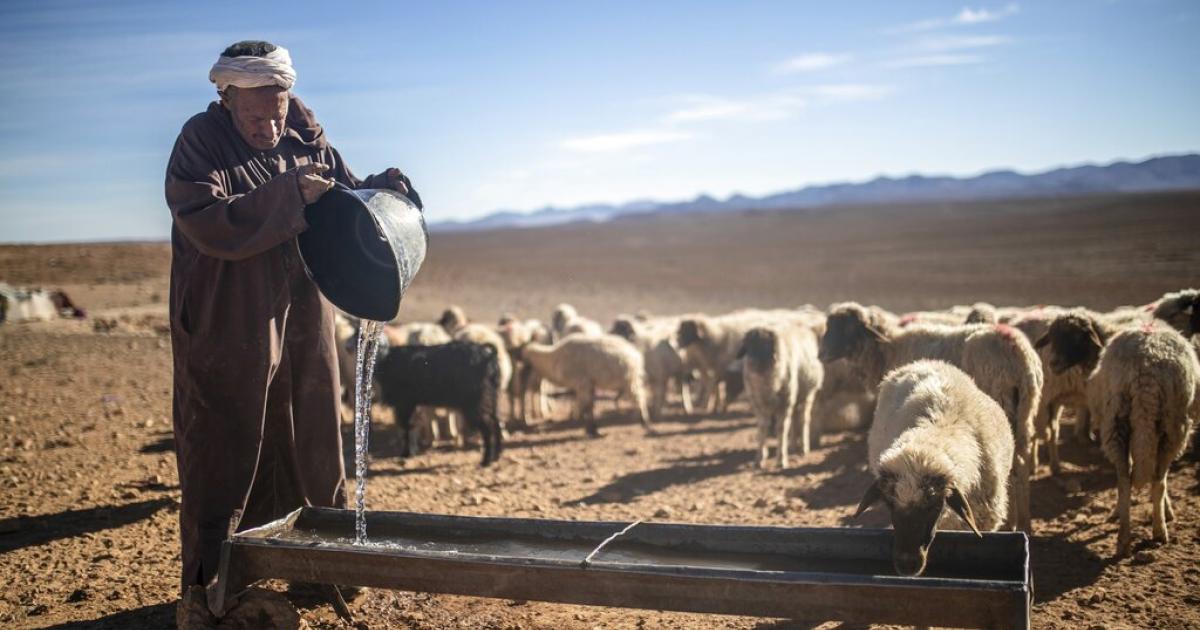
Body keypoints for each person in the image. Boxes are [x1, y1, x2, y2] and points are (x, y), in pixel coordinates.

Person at [165, 39, 420, 625]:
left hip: (303, 305)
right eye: (256, 115)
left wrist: (385, 186)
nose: (269, 125)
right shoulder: (199, 142)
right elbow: (205, 219)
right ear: (225, 98)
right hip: (229, 310)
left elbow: (345, 188)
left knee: (311, 430)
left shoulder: (301, 129)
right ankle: (213, 583)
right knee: (226, 435)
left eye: (277, 110)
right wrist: (287, 195)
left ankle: (319, 565)